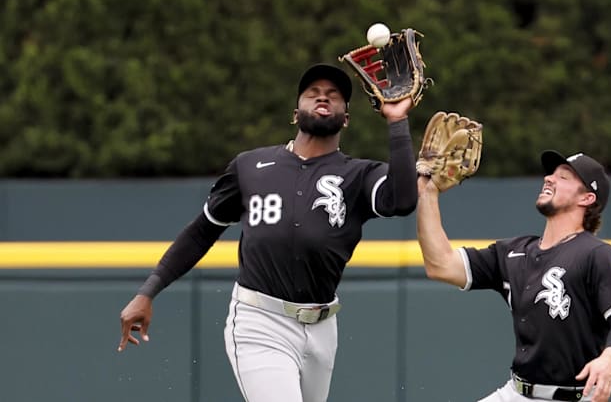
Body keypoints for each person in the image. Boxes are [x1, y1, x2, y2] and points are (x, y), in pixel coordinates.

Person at [117, 63, 418, 402]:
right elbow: (202, 231)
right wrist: (148, 291)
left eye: (334, 96)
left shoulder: (359, 176)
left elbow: (404, 200)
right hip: (260, 321)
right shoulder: (250, 167)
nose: (323, 98)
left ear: (346, 118)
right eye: (313, 94)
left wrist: (397, 121)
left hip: (322, 327)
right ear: (295, 113)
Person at [416, 150, 611, 402]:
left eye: (564, 177)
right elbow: (441, 265)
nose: (549, 179)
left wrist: (608, 360)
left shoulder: (599, 255)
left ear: (587, 198)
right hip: (515, 393)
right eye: (551, 174)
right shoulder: (514, 252)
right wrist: (428, 194)